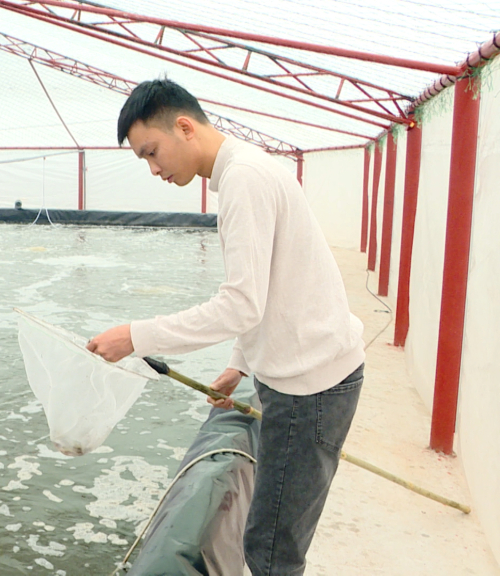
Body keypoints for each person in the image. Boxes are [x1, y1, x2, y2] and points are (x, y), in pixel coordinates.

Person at [85, 78, 365, 576]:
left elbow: (240, 304)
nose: (153, 169)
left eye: (152, 152)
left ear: (185, 127)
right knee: (270, 536)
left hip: (312, 389)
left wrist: (136, 336)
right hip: (308, 377)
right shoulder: (246, 170)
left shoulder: (244, 180)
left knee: (273, 551)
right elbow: (270, 288)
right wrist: (239, 365)